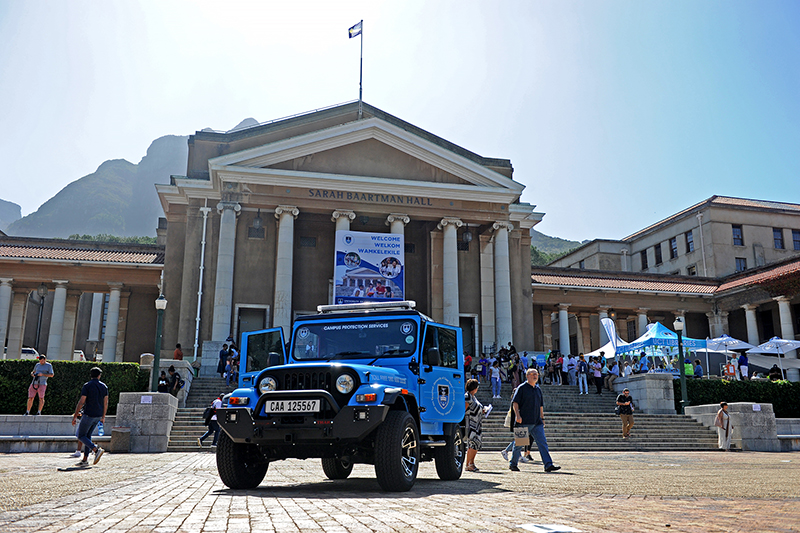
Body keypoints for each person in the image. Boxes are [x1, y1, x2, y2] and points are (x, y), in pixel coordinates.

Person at [508, 368, 560, 473]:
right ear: (527, 376)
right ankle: (513, 464)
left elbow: (541, 406)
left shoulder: (538, 389)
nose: (535, 376)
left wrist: (542, 418)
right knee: (519, 444)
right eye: (532, 374)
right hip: (523, 420)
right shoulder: (521, 388)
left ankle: (548, 465)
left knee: (542, 443)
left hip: (537, 422)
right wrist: (518, 415)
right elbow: (515, 403)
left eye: (536, 374)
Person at [71, 367, 108, 466]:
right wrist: (103, 417)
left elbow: (82, 402)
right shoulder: (104, 387)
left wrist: (75, 416)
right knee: (87, 436)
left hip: (88, 414)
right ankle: (85, 460)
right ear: (99, 376)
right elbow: (105, 403)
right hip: (98, 415)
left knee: (80, 435)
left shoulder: (87, 386)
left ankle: (96, 450)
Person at [464, 379, 491, 472]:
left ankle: (471, 462)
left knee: (476, 444)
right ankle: (468, 464)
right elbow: (464, 409)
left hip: (477, 423)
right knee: (472, 444)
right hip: (471, 423)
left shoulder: (473, 397)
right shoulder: (467, 397)